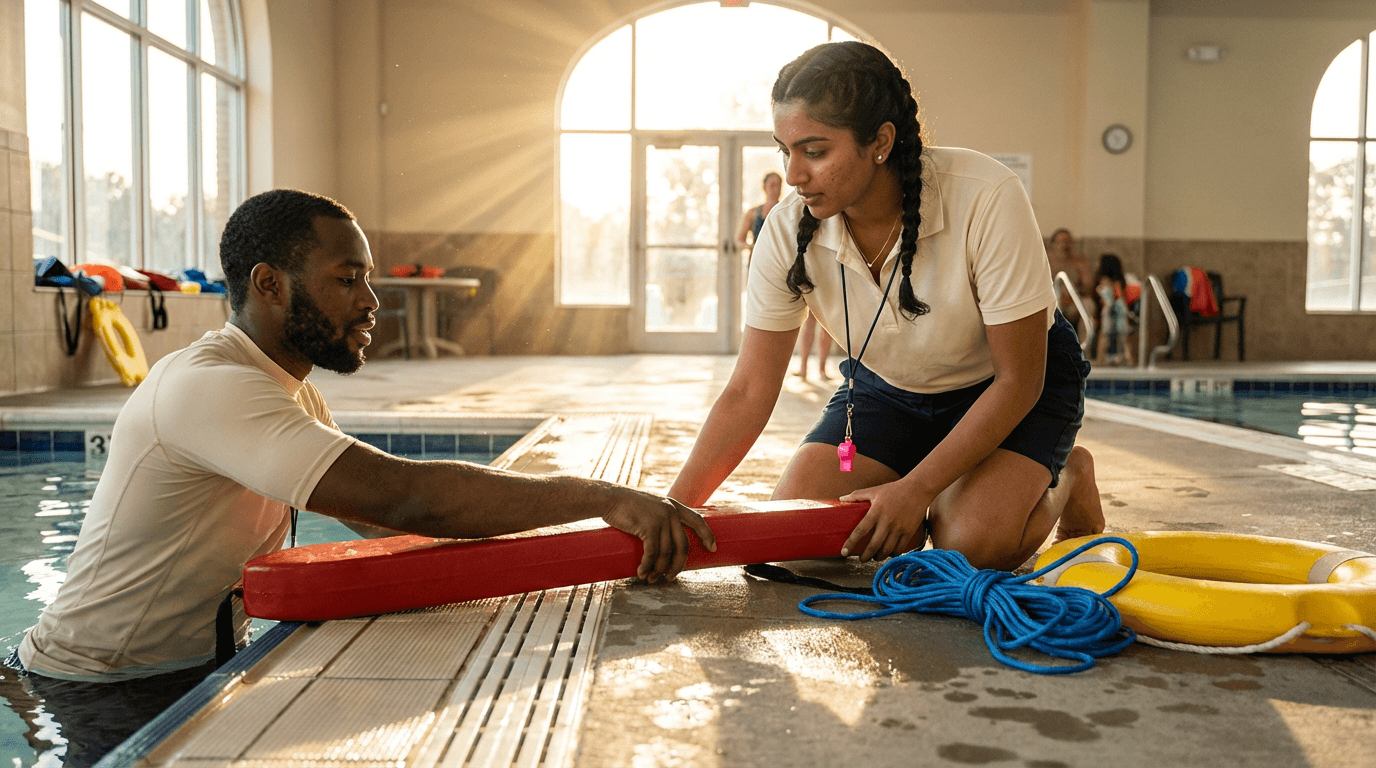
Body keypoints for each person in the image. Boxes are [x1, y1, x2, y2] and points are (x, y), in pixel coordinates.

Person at [8, 190, 716, 759]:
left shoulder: (287, 388)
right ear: (269, 284)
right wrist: (599, 497)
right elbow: (407, 498)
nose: (371, 302)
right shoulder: (210, 387)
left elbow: (377, 515)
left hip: (178, 671)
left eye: (367, 280)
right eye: (348, 280)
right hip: (96, 687)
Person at [667, 41, 1104, 571]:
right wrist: (674, 510)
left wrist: (913, 491)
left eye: (815, 151)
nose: (795, 174)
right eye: (786, 152)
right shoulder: (786, 231)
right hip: (887, 392)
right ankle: (936, 478)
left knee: (966, 546)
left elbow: (1019, 380)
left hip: (1009, 389)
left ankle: (1068, 476)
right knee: (801, 541)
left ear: (880, 142)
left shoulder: (985, 196)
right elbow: (748, 391)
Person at [1092, 253, 1136, 366]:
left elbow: (1107, 298)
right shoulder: (1118, 282)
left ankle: (1100, 359)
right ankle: (1129, 358)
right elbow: (1120, 298)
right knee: (1124, 335)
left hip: (1110, 311)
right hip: (1118, 310)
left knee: (1105, 334)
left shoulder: (1104, 281)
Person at [1045, 228, 1094, 324]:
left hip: (1074, 301)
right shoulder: (1046, 260)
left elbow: (1088, 287)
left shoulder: (1079, 261)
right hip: (1051, 300)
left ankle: (1084, 338)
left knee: (1089, 304)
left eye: (1068, 242)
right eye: (1061, 242)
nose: (1065, 245)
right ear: (1053, 244)